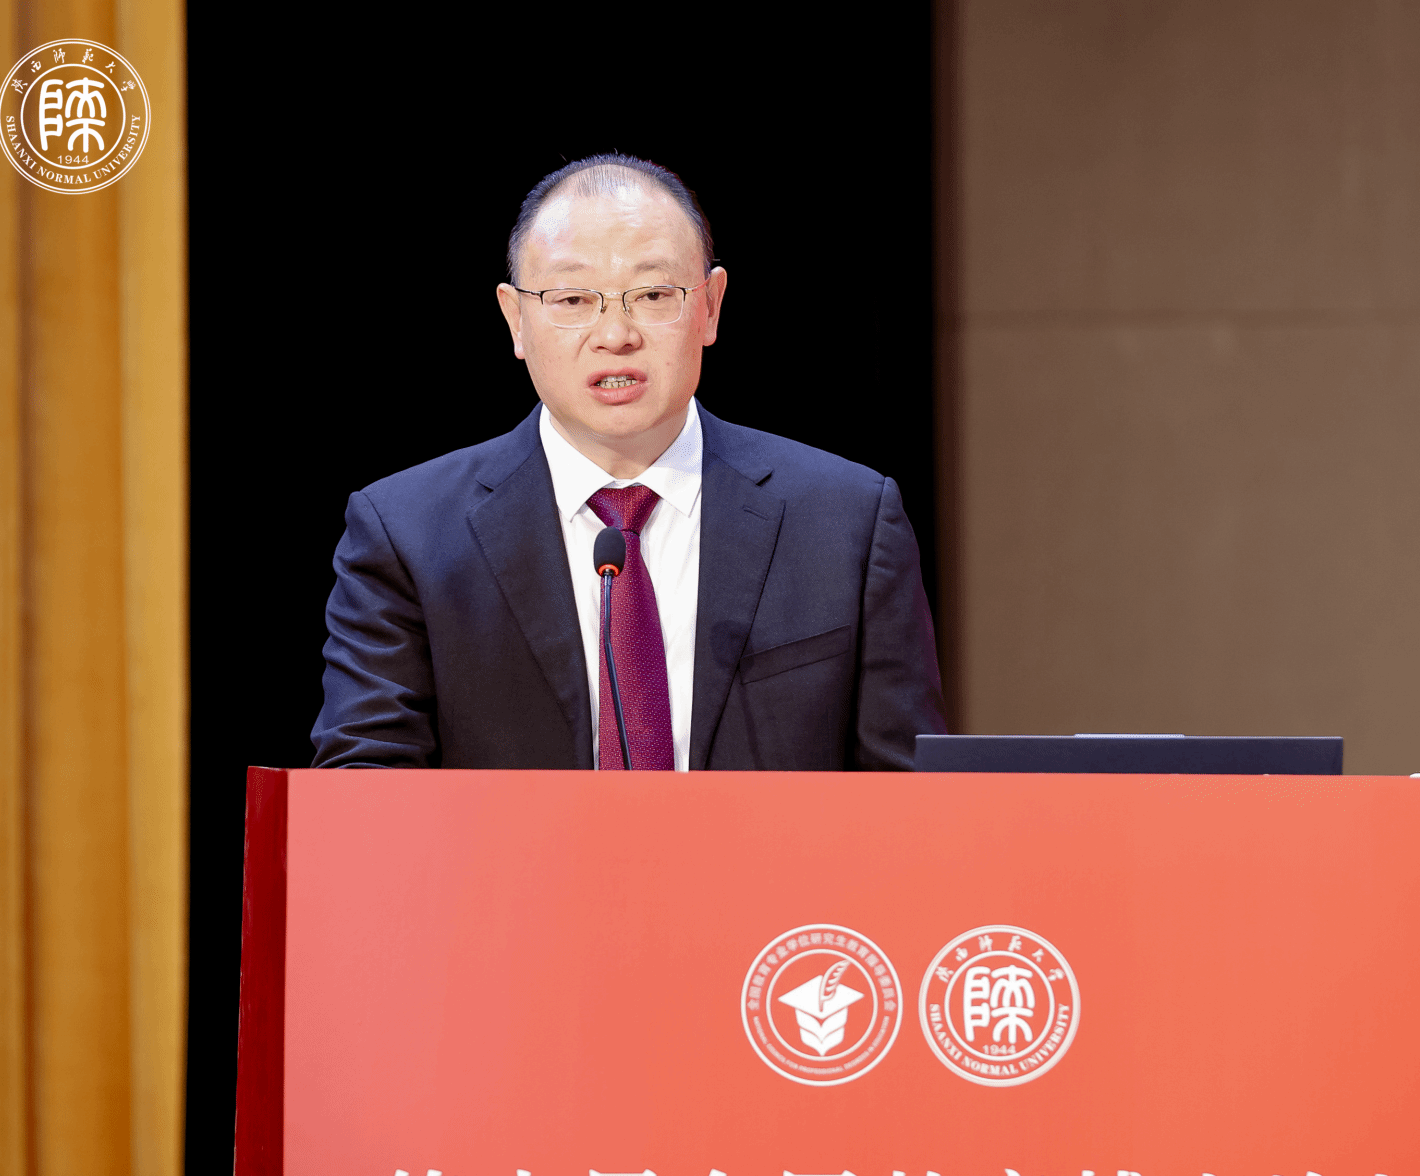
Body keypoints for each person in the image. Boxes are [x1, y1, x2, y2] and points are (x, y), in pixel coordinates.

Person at [312, 154, 945, 770]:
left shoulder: (847, 524)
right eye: (572, 301)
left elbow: (911, 800)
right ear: (516, 320)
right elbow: (363, 794)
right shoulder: (407, 535)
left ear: (710, 305)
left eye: (652, 294)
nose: (616, 335)